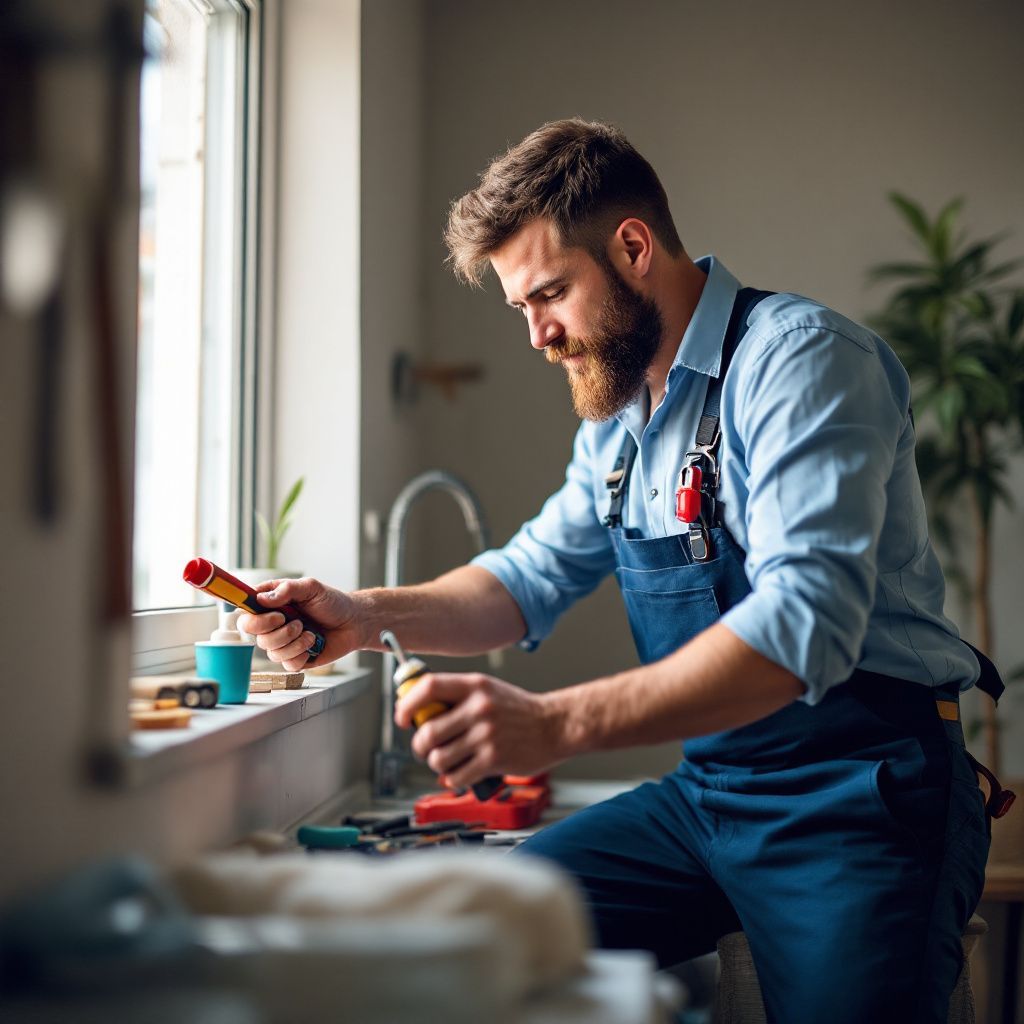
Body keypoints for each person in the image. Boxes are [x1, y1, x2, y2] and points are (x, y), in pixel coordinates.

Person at [239, 119, 1007, 1023]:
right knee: (482, 935)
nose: (536, 335)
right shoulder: (617, 426)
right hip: (712, 797)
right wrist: (365, 614)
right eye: (521, 307)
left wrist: (554, 724)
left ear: (633, 247)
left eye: (550, 294)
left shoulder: (801, 362)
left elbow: (806, 627)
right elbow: (523, 580)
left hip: (863, 799)